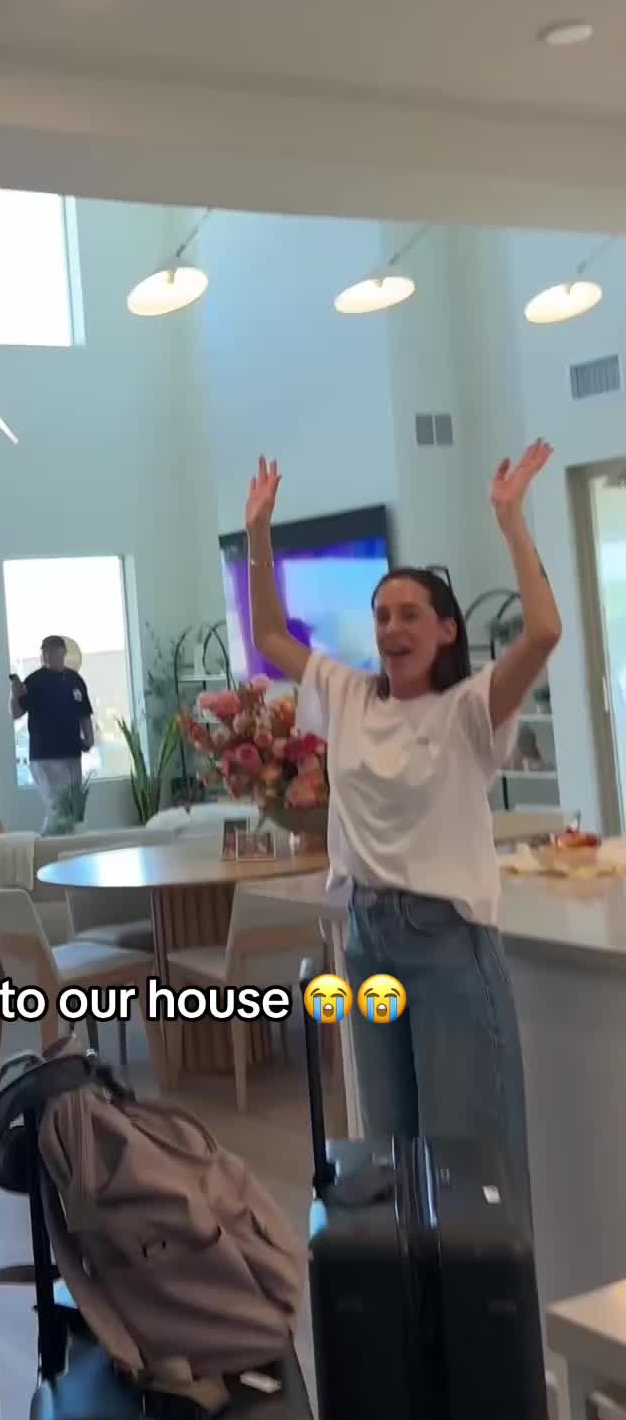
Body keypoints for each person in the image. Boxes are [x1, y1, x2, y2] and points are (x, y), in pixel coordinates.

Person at [246, 442, 563, 1220]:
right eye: (382, 614)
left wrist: (511, 520)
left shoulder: (470, 709)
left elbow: (544, 632)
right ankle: (410, 1295)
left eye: (410, 614)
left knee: (467, 1162)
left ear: (447, 631)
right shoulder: (348, 694)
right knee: (389, 1151)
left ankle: (478, 1299)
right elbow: (272, 636)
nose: (392, 626)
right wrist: (258, 534)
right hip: (366, 938)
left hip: (447, 944)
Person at [9, 636, 94, 834]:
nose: (47, 655)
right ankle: (49, 844)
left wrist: (89, 737)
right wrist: (14, 694)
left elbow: (84, 712)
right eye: (44, 651)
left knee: (72, 807)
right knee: (56, 806)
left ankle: (68, 842)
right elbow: (16, 713)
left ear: (63, 652)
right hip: (44, 756)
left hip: (72, 753)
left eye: (52, 651)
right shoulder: (34, 681)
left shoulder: (75, 680)